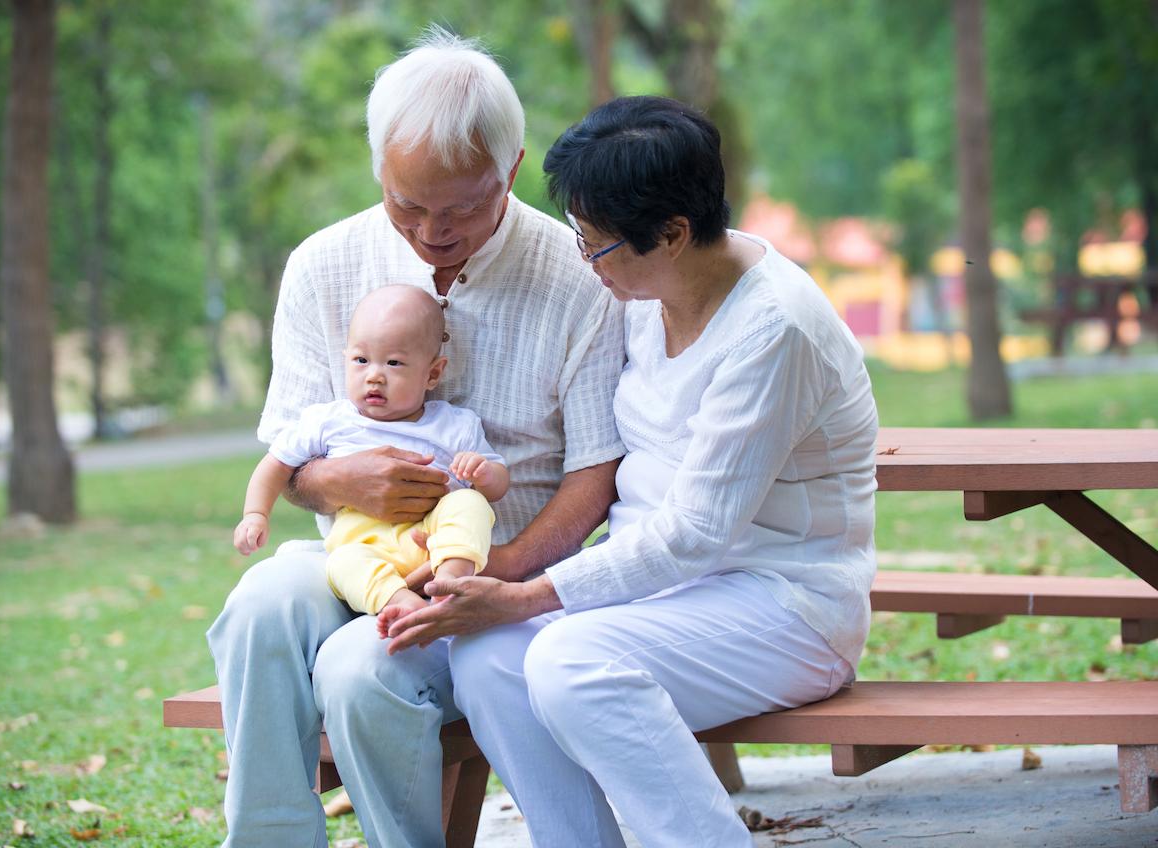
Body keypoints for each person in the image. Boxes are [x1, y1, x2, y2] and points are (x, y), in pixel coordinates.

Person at [383, 95, 880, 848]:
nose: (588, 264)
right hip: (662, 599)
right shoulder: (646, 291)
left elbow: (695, 536)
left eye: (598, 246)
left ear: (674, 234)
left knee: (569, 659)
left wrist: (524, 595)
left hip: (784, 605)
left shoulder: (774, 331)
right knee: (488, 660)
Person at [206, 29, 625, 848]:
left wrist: (491, 574)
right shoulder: (322, 265)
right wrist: (337, 482)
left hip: (499, 577)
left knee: (361, 670)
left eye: (463, 205)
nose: (432, 230)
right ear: (378, 171)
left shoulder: (579, 280)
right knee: (257, 606)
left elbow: (595, 475)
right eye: (407, 203)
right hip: (353, 558)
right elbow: (291, 460)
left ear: (510, 169)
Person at [232, 285, 509, 618]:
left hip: (431, 540)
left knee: (469, 502)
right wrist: (255, 514)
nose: (374, 376)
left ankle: (451, 577)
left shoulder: (454, 425)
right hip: (363, 543)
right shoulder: (329, 421)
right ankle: (396, 602)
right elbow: (275, 463)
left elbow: (497, 486)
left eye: (394, 363)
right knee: (341, 563)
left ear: (432, 373)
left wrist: (483, 472)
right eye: (361, 360)